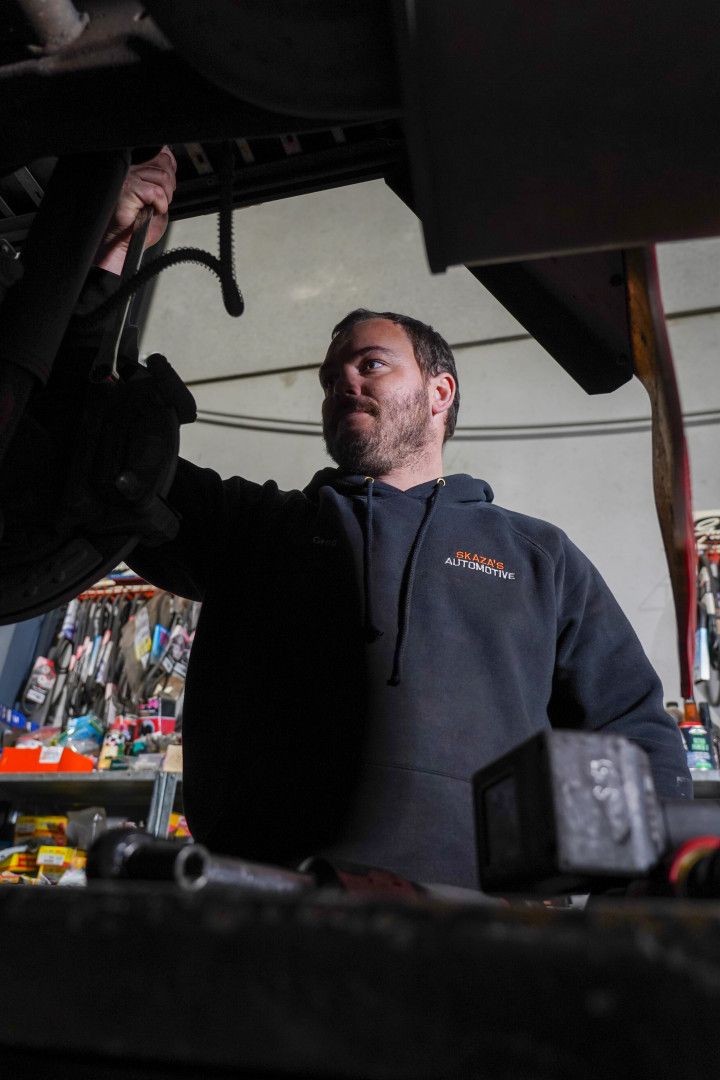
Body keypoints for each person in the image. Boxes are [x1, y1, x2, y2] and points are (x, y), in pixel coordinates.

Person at [83, 149, 691, 889]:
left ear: (440, 392)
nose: (343, 378)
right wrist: (112, 252)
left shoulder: (539, 557)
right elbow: (90, 452)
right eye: (331, 375)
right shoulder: (255, 527)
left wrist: (633, 912)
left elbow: (637, 734)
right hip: (271, 912)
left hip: (481, 936)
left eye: (371, 364)